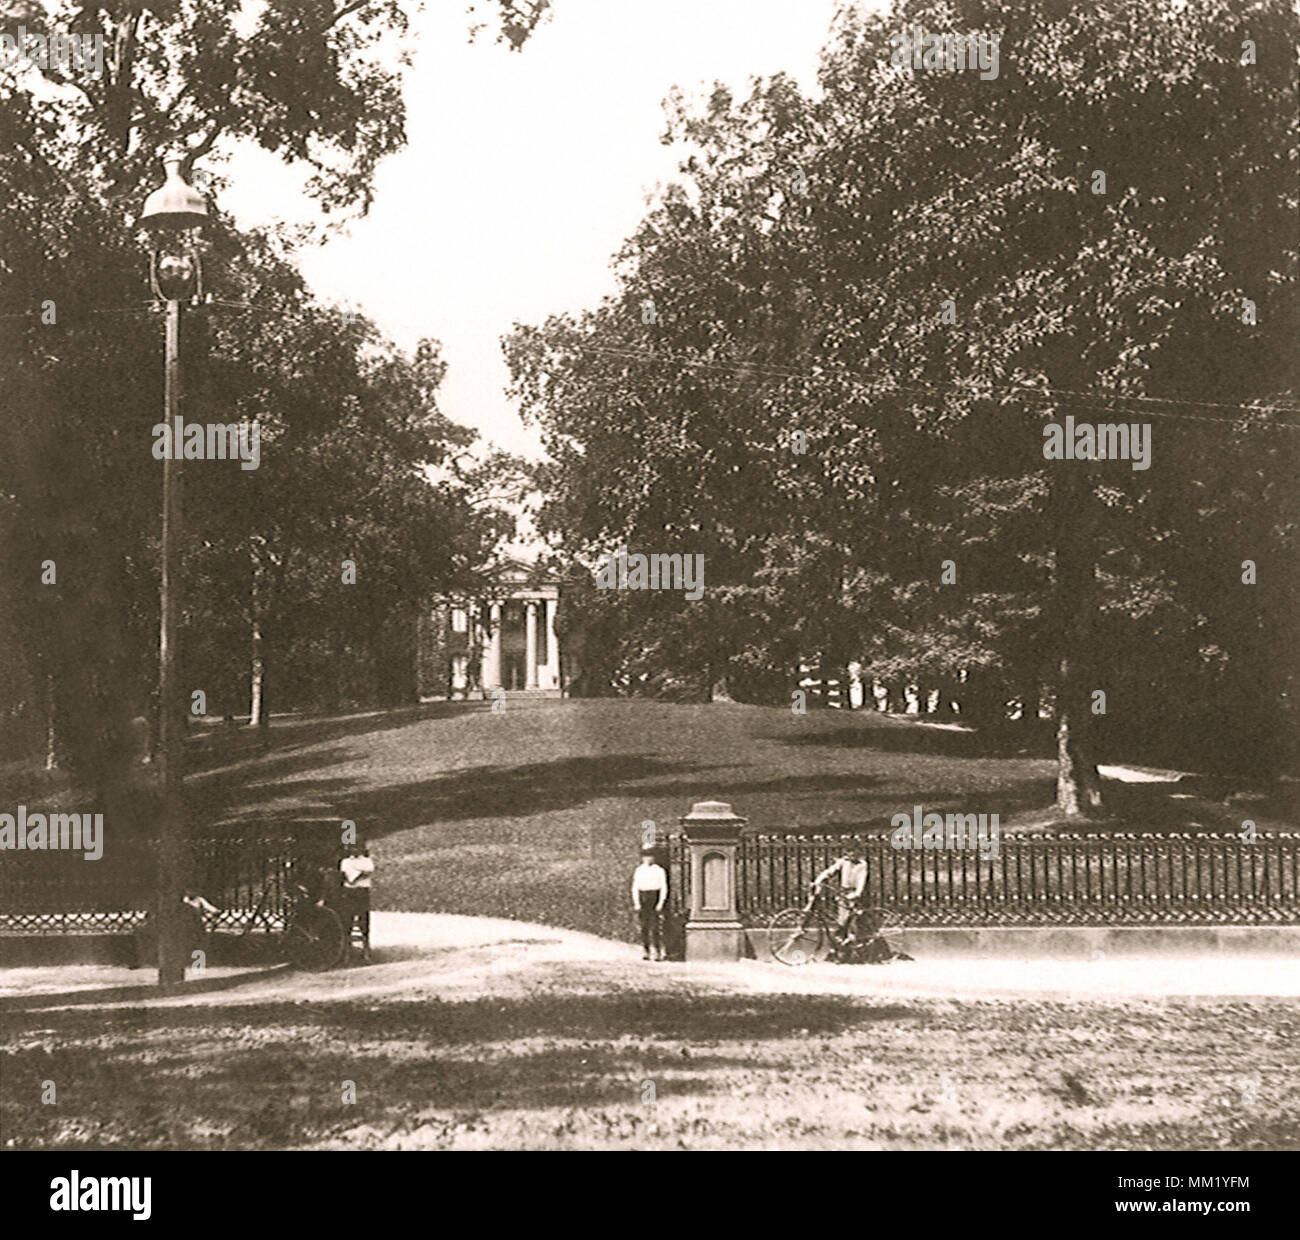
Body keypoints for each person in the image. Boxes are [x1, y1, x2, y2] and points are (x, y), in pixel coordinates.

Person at [812, 845, 869, 959]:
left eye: (854, 852)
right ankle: (840, 952)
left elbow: (861, 879)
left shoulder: (862, 864)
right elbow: (830, 871)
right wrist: (818, 880)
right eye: (849, 852)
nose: (851, 854)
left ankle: (854, 953)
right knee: (841, 923)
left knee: (852, 924)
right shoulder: (843, 862)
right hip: (843, 894)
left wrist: (857, 894)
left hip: (854, 895)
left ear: (858, 852)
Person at [338, 845, 374, 961]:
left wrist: (354, 878)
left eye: (356, 847)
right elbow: (343, 875)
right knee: (347, 920)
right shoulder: (346, 861)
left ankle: (366, 951)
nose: (354, 850)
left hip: (361, 892)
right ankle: (347, 952)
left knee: (363, 920)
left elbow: (367, 873)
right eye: (352, 848)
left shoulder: (366, 861)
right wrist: (349, 880)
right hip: (349, 892)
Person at [631, 848, 668, 961]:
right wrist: (637, 903)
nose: (648, 859)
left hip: (654, 896)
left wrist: (660, 903)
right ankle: (646, 950)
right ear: (643, 858)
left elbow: (663, 887)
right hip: (643, 897)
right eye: (646, 857)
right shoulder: (639, 870)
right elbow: (635, 887)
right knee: (644, 926)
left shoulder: (659, 870)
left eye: (651, 856)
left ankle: (657, 950)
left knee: (655, 926)